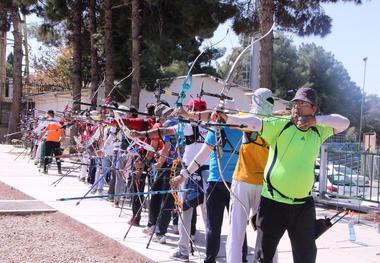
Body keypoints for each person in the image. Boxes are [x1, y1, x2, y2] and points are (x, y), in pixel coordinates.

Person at [218, 87, 350, 263]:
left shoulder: (320, 130)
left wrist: (315, 121)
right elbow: (255, 123)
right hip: (273, 203)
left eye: (303, 104)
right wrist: (230, 118)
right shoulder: (281, 124)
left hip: (303, 205)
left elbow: (344, 122)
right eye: (295, 103)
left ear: (313, 108)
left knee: (306, 257)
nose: (297, 107)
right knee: (263, 256)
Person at [171, 99, 243, 263]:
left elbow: (201, 155)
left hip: (215, 181)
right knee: (237, 226)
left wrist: (184, 175)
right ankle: (241, 258)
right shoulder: (244, 130)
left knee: (211, 225)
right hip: (237, 183)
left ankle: (205, 257)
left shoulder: (214, 130)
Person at [41, 110, 64, 174]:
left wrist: (40, 137)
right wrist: (60, 141)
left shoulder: (50, 124)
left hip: (49, 141)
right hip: (56, 142)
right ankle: (59, 170)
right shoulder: (60, 126)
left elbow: (44, 131)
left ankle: (45, 170)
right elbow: (62, 137)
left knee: (47, 155)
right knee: (57, 156)